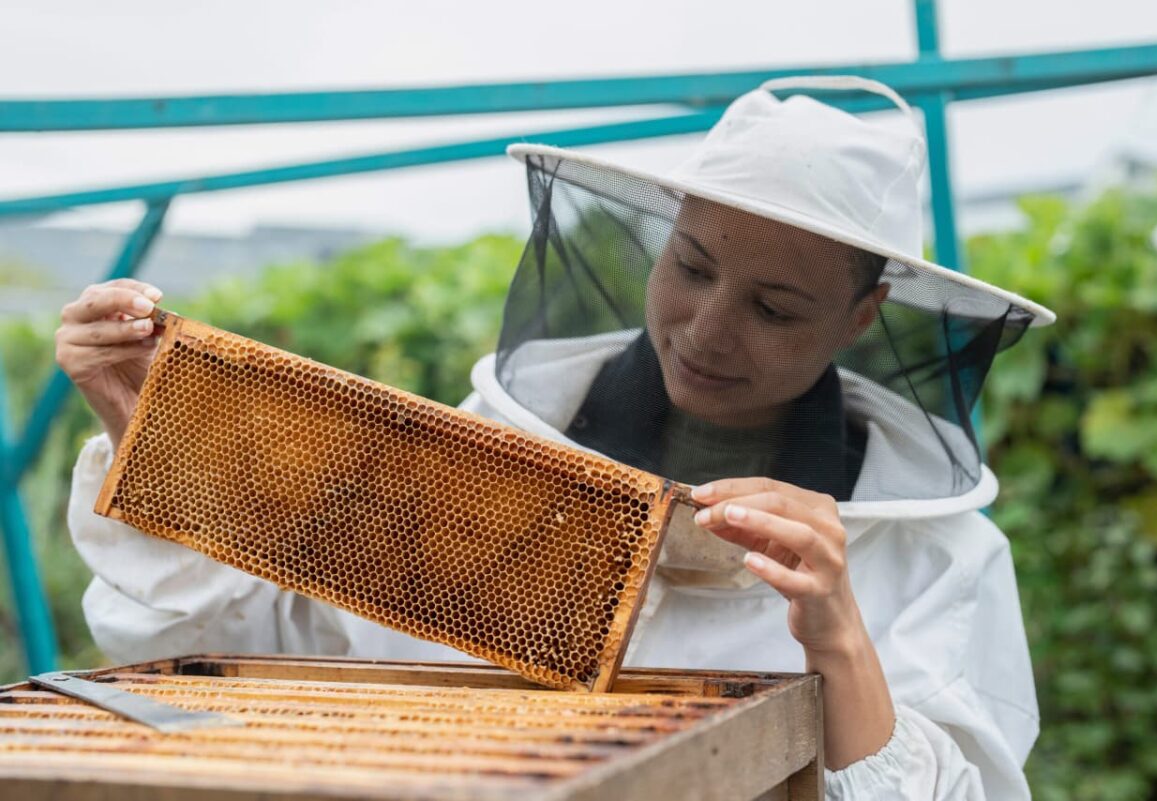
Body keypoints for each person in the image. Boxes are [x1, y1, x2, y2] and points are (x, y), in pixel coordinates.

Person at [58, 76, 1054, 799]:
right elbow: (253, 649)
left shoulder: (938, 554)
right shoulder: (485, 452)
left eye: (778, 307)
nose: (708, 332)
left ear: (863, 316)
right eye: (694, 268)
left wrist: (838, 635)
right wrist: (155, 435)